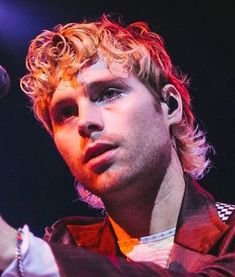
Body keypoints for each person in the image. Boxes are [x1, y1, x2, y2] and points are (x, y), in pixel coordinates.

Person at [1, 14, 235, 276]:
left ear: (169, 105)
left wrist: (17, 251)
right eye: (66, 113)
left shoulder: (230, 236)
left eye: (109, 93)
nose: (85, 122)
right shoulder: (64, 244)